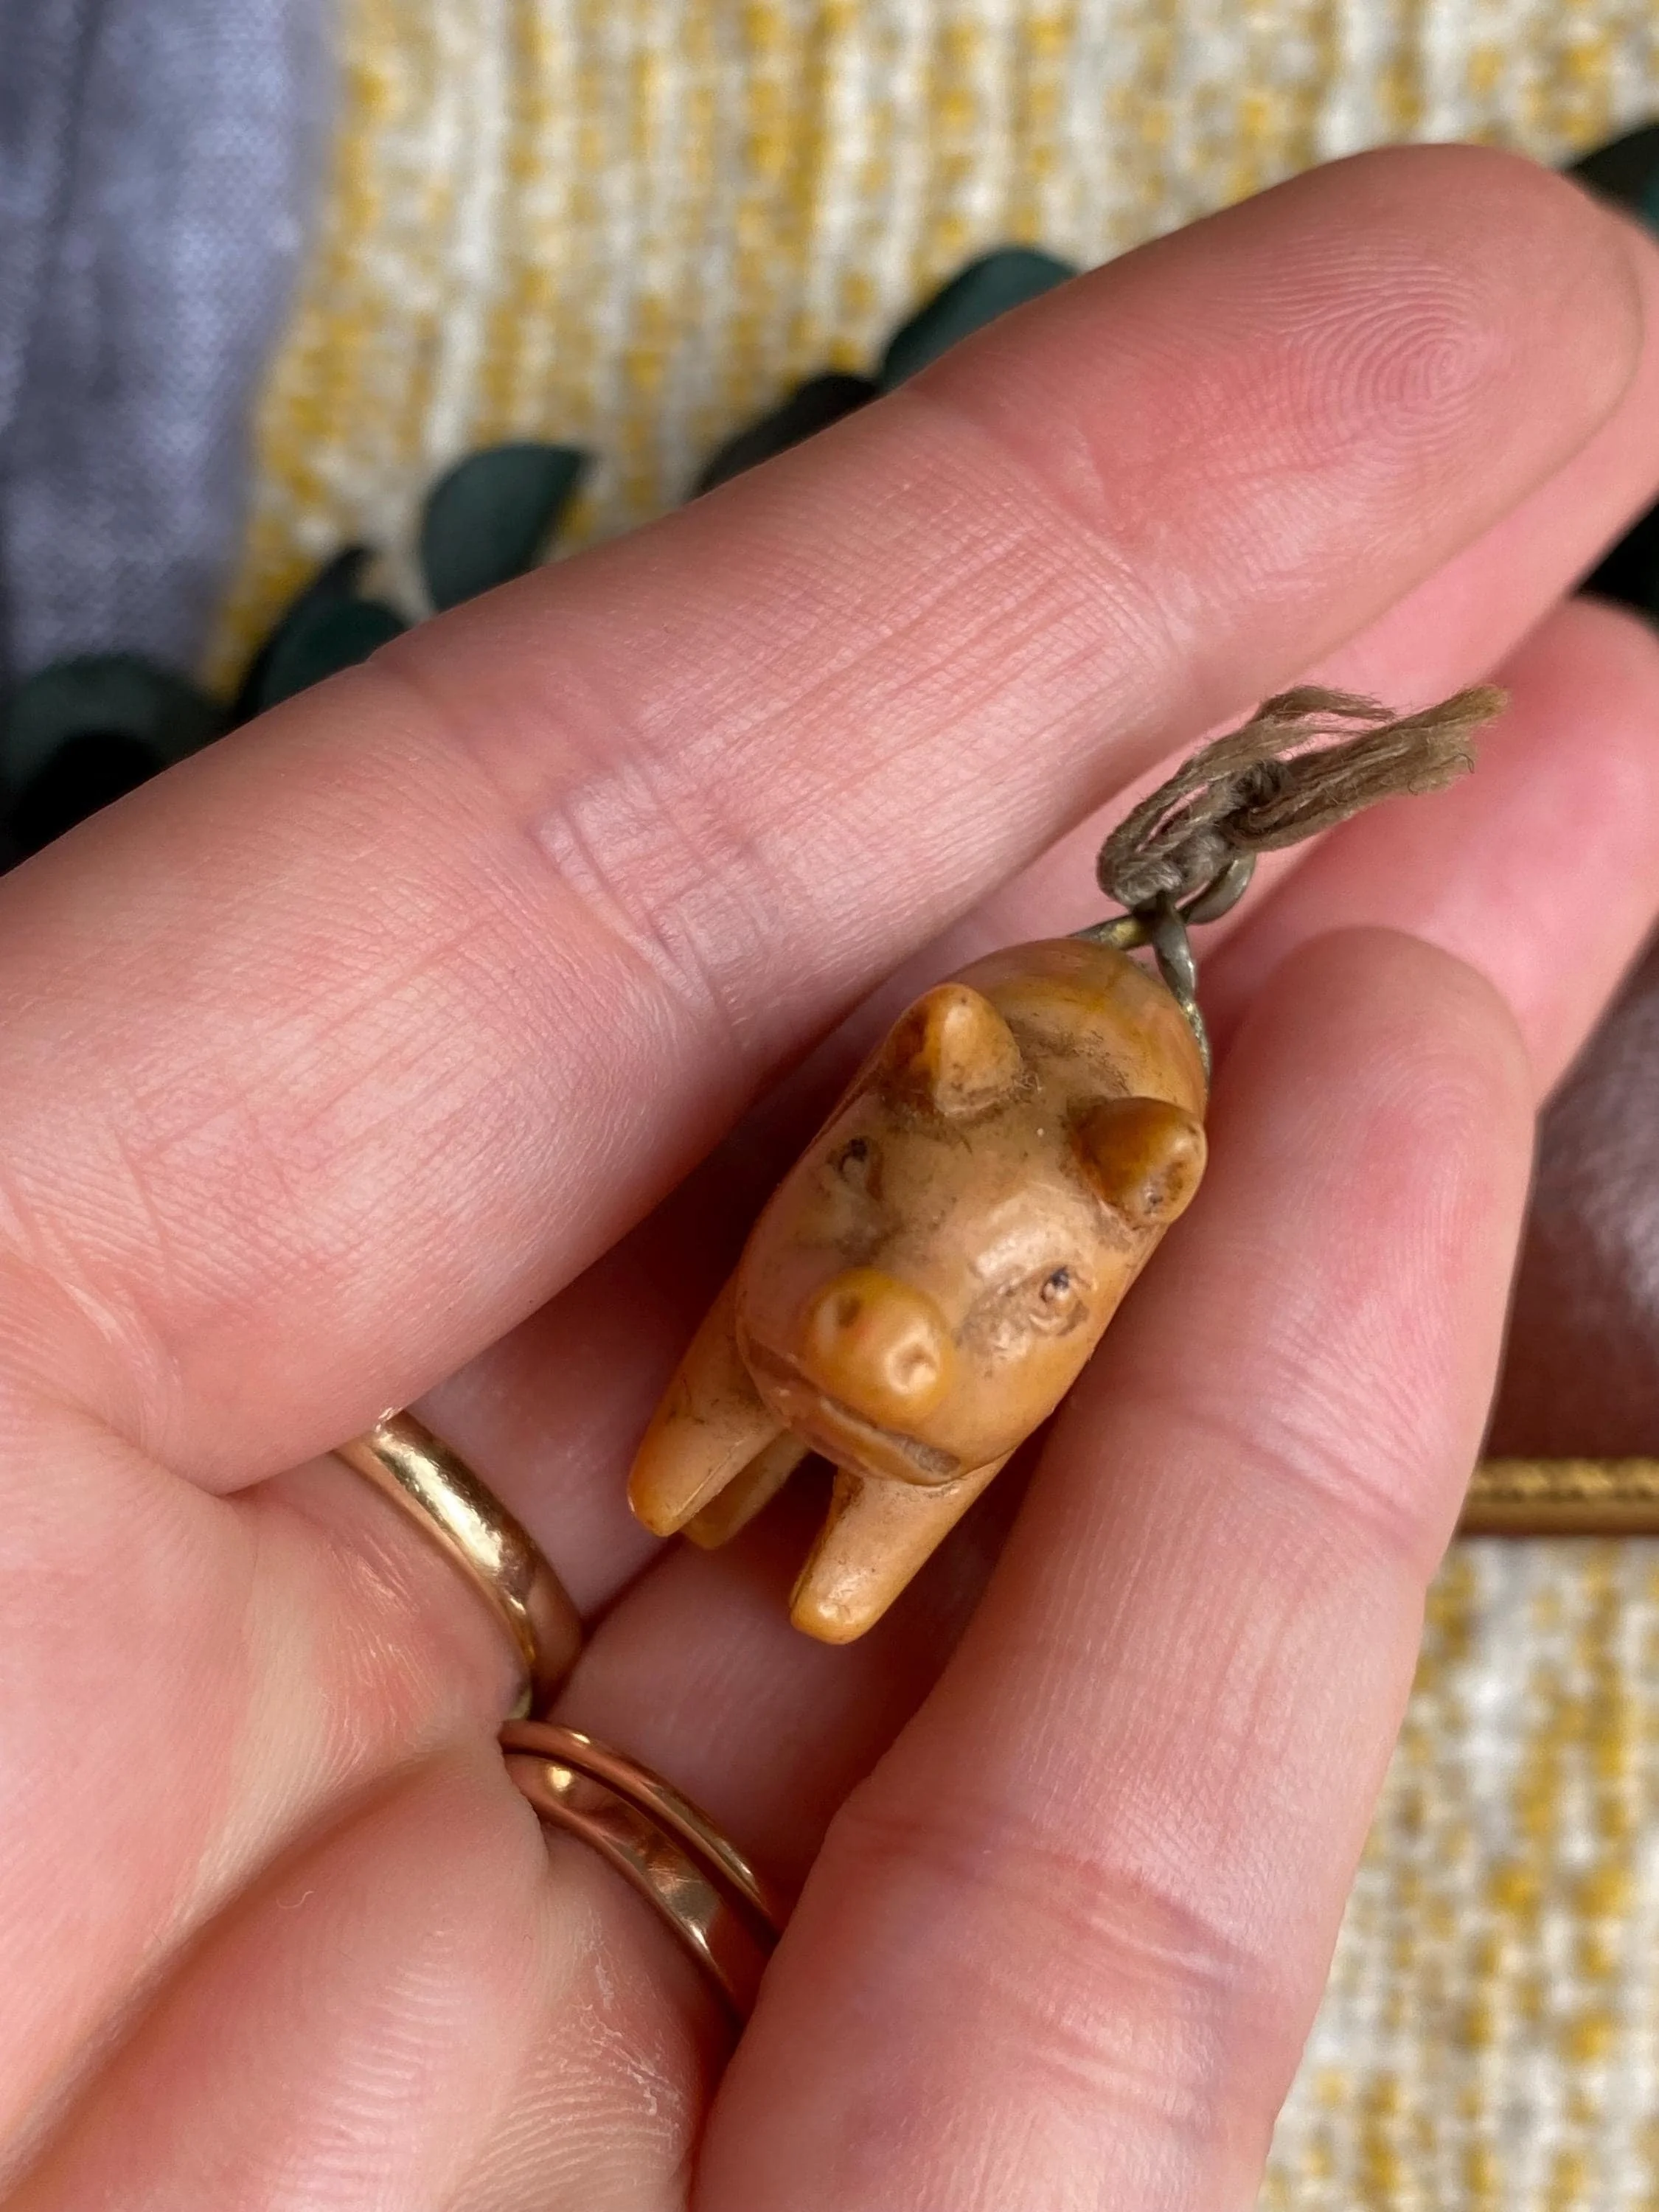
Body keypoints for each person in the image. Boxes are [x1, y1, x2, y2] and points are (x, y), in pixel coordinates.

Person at [3, 141, 1659, 2211]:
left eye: (1030, 1299)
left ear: (1131, 1232)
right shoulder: (941, 1056)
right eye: (873, 1186)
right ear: (893, 1087)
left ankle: (832, 1494)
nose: (906, 1315)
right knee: (734, 1412)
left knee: (852, 1493)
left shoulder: (1139, 1141)